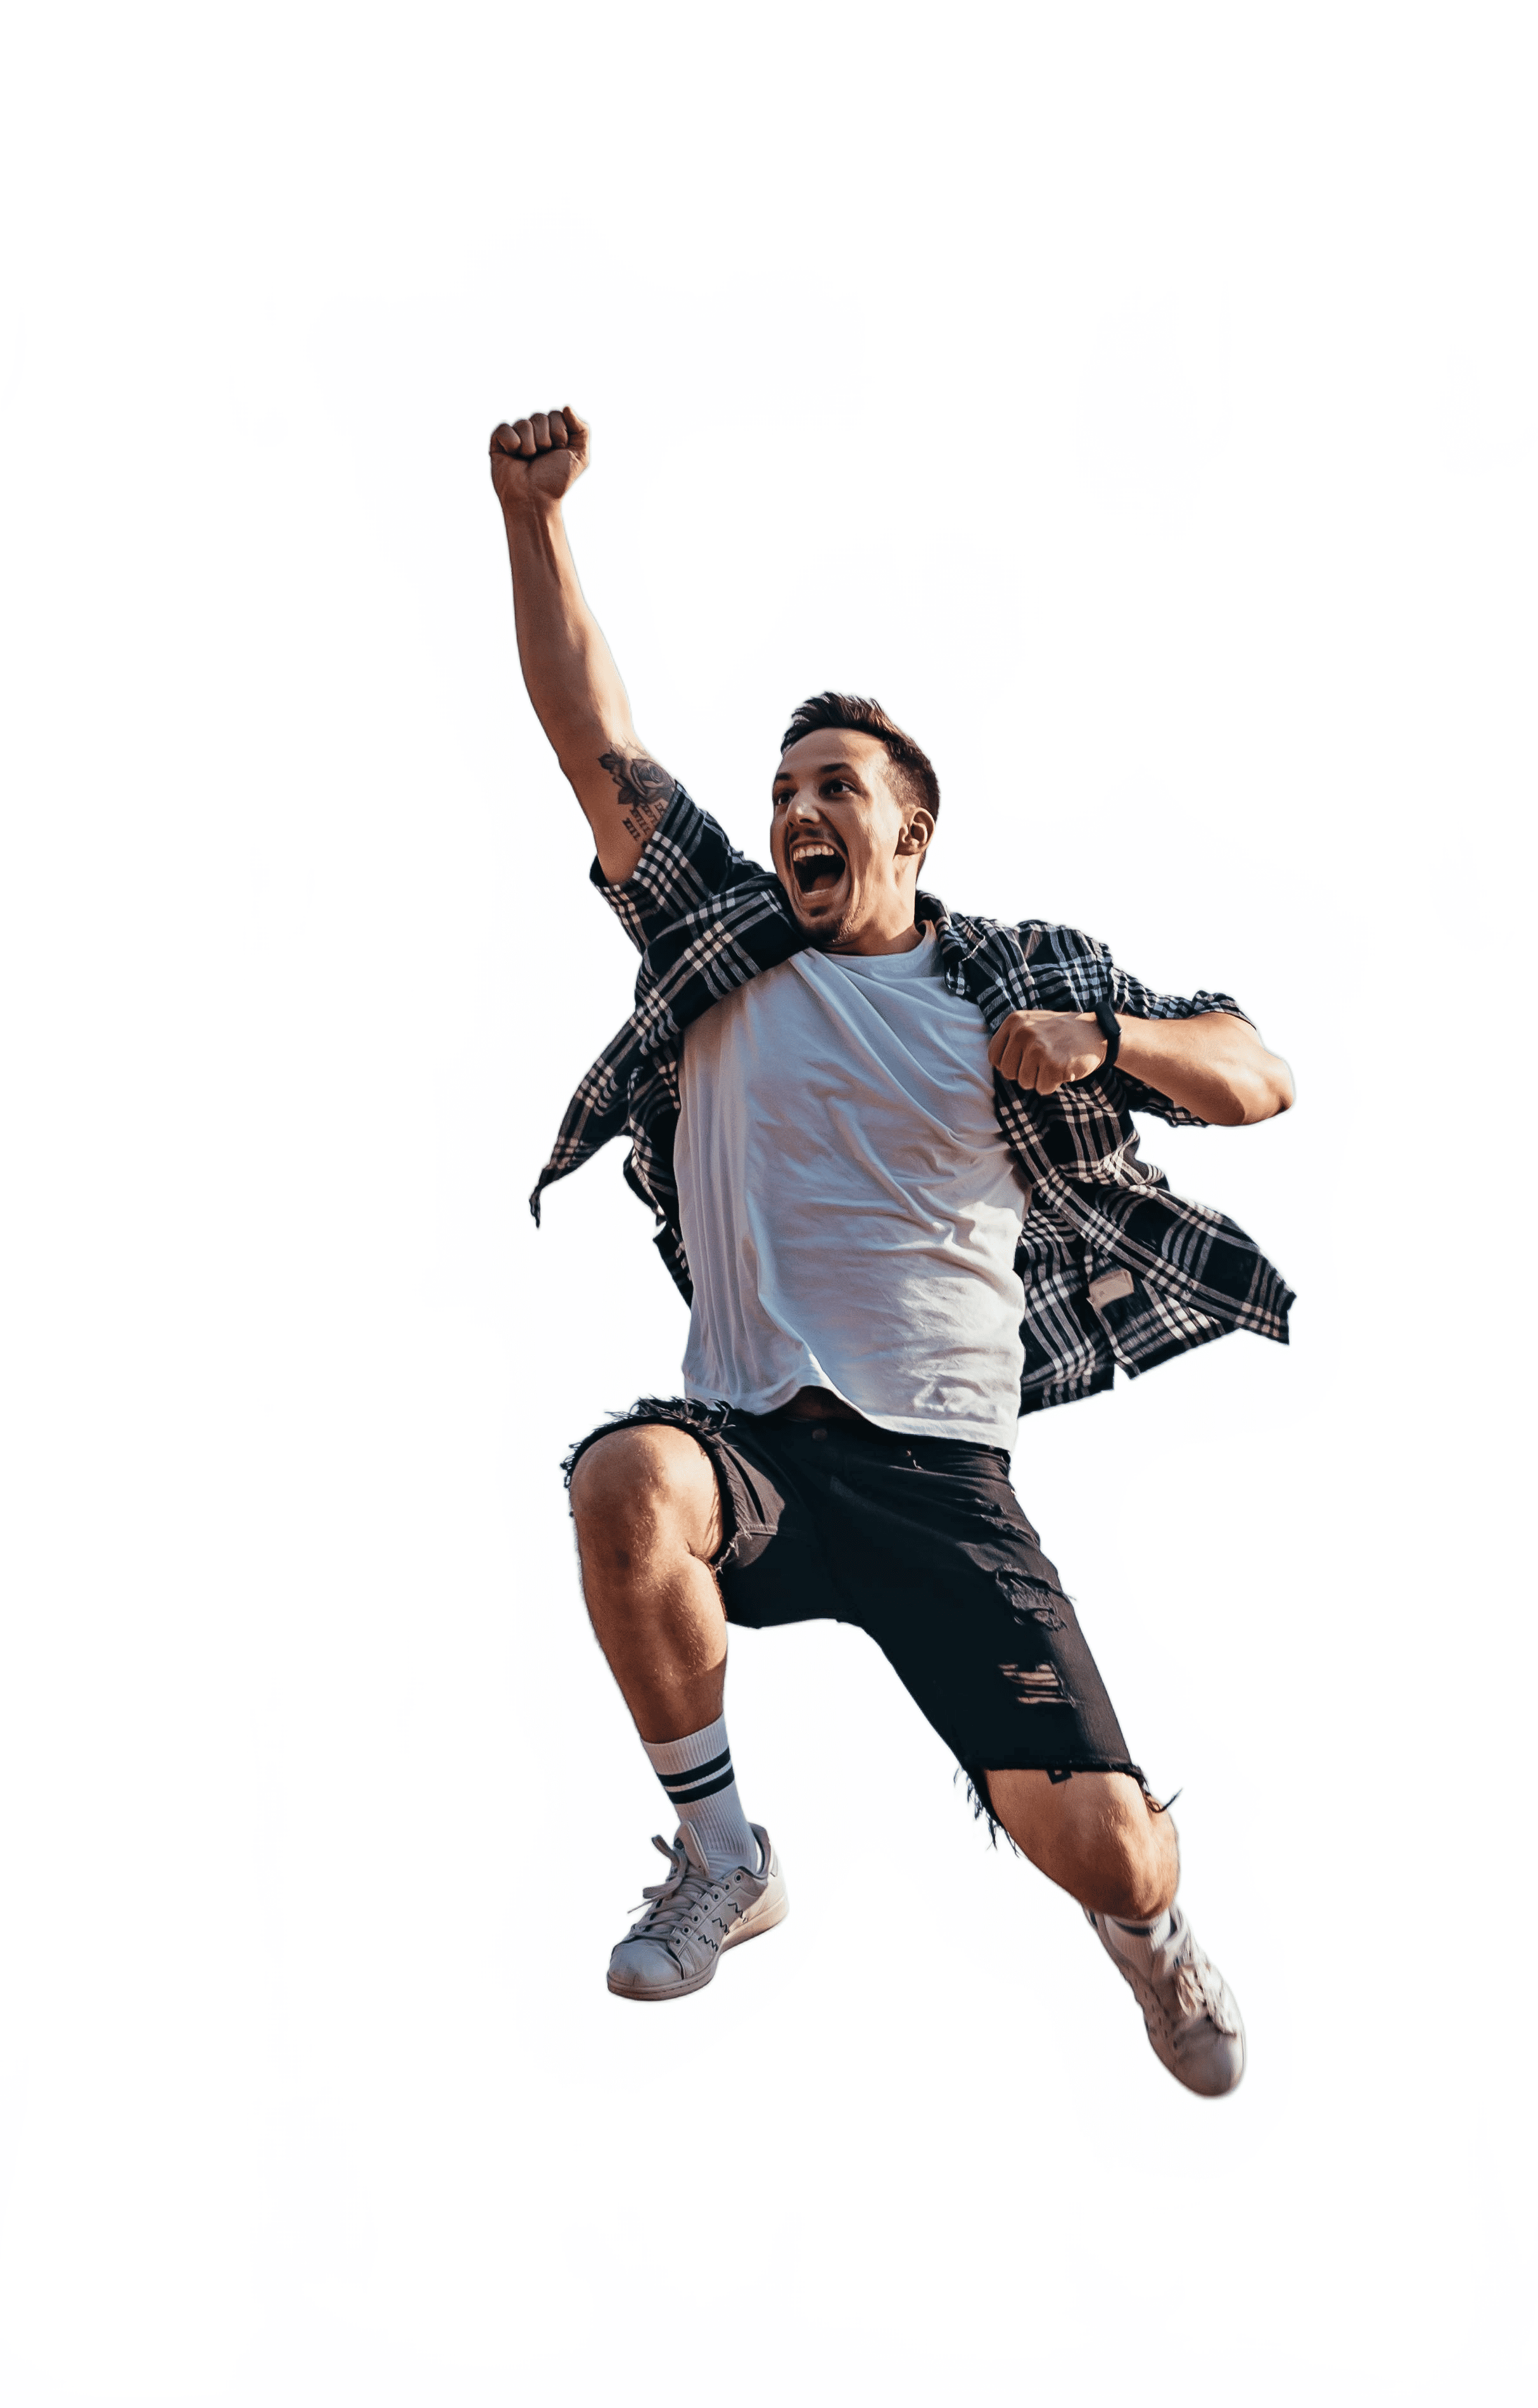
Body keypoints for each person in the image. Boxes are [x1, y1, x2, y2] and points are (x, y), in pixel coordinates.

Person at [492, 402, 1295, 2094]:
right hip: (756, 1447)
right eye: (784, 790)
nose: (798, 810)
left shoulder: (1009, 977)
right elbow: (592, 737)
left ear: (909, 832)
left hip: (944, 1481)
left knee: (1110, 1846)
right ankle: (724, 1854)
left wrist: (1108, 1040)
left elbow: (1257, 1070)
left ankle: (1154, 1934)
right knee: (624, 1481)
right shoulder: (721, 932)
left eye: (833, 790)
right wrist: (534, 518)